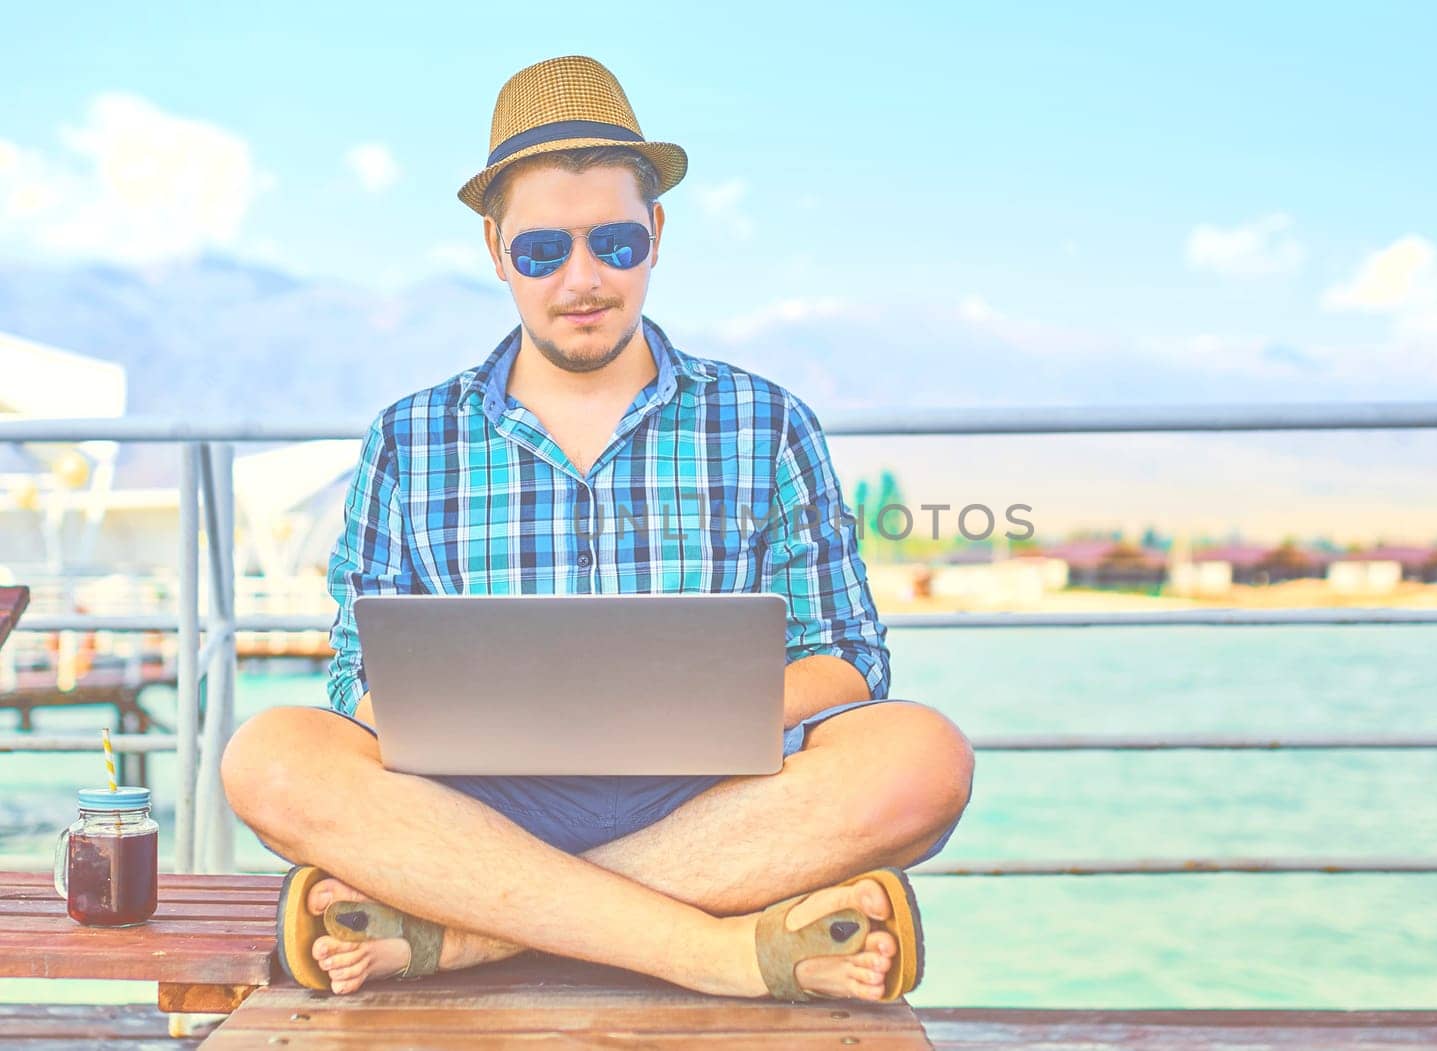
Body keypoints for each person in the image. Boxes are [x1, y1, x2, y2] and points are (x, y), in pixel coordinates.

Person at [221, 55, 975, 1003]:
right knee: (273, 759)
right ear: (496, 252)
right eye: (543, 252)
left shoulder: (766, 420)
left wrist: (696, 712)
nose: (583, 279)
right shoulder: (409, 438)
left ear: (655, 235)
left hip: (713, 803)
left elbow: (848, 656)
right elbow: (350, 681)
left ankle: (466, 932)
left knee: (921, 758)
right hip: (477, 805)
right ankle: (716, 948)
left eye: (614, 243)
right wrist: (431, 708)